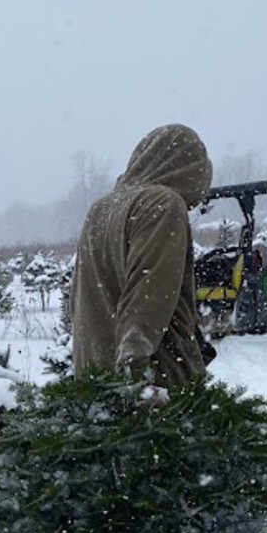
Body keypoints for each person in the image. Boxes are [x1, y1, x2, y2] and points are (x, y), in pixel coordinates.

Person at [71, 123, 216, 389]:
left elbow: (80, 296)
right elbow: (150, 290)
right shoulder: (163, 204)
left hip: (95, 376)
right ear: (184, 168)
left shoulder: (101, 208)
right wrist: (135, 369)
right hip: (156, 381)